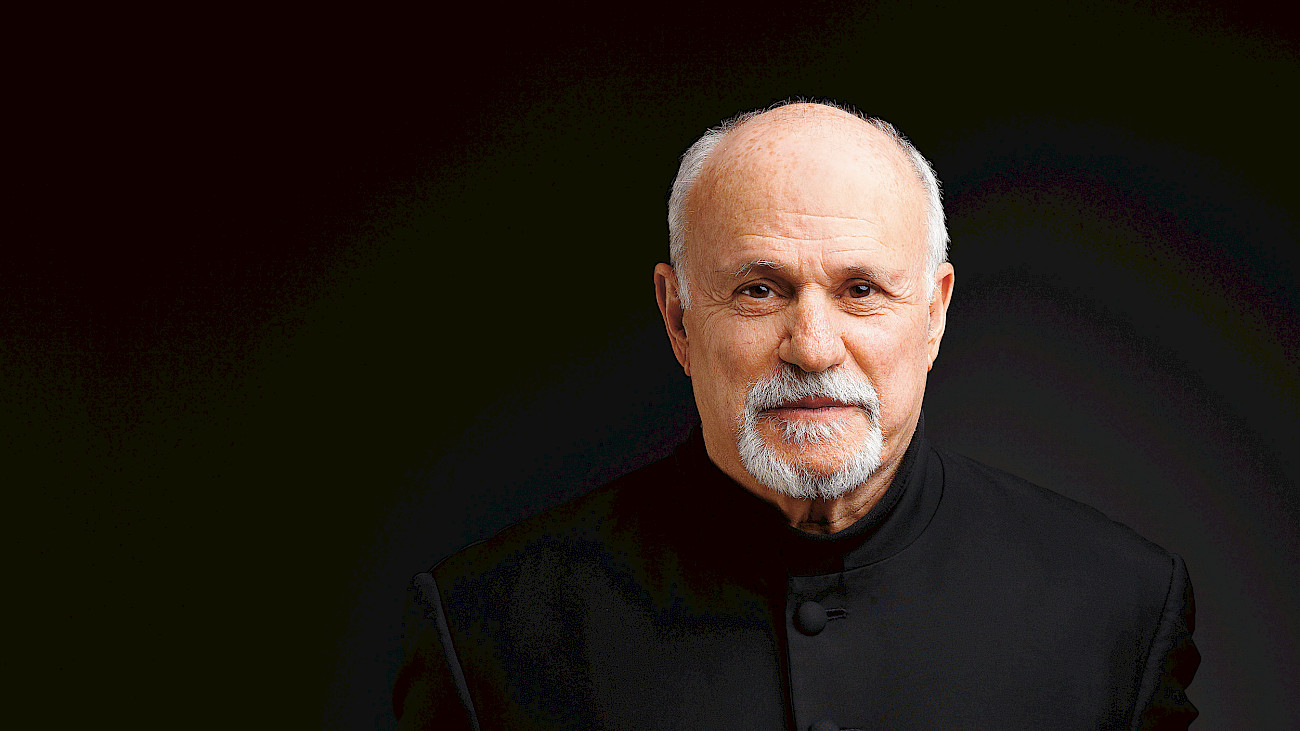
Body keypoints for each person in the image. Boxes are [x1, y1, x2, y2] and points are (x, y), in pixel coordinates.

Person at [393, 102, 1199, 730]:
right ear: (677, 317)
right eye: (759, 289)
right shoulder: (486, 630)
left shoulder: (1118, 606)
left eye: (861, 290)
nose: (813, 348)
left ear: (934, 313)